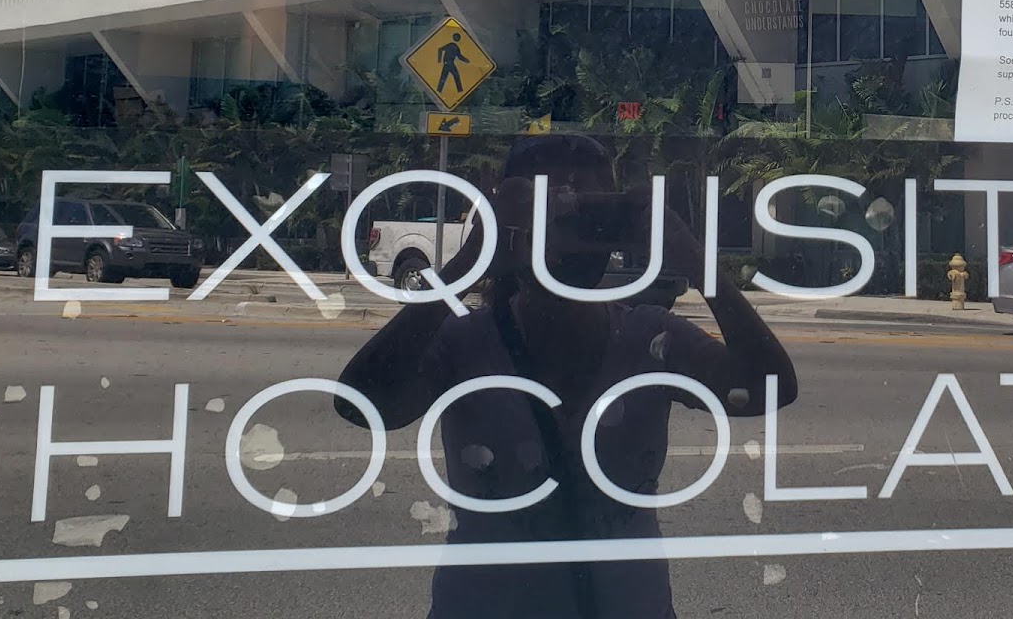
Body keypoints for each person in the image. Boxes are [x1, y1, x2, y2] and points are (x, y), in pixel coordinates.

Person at [336, 134, 797, 619]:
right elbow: (363, 404)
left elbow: (770, 387)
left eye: (593, 210)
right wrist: (472, 259)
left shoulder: (650, 336)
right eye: (555, 212)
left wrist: (693, 259)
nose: (574, 231)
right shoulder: (464, 343)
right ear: (513, 223)